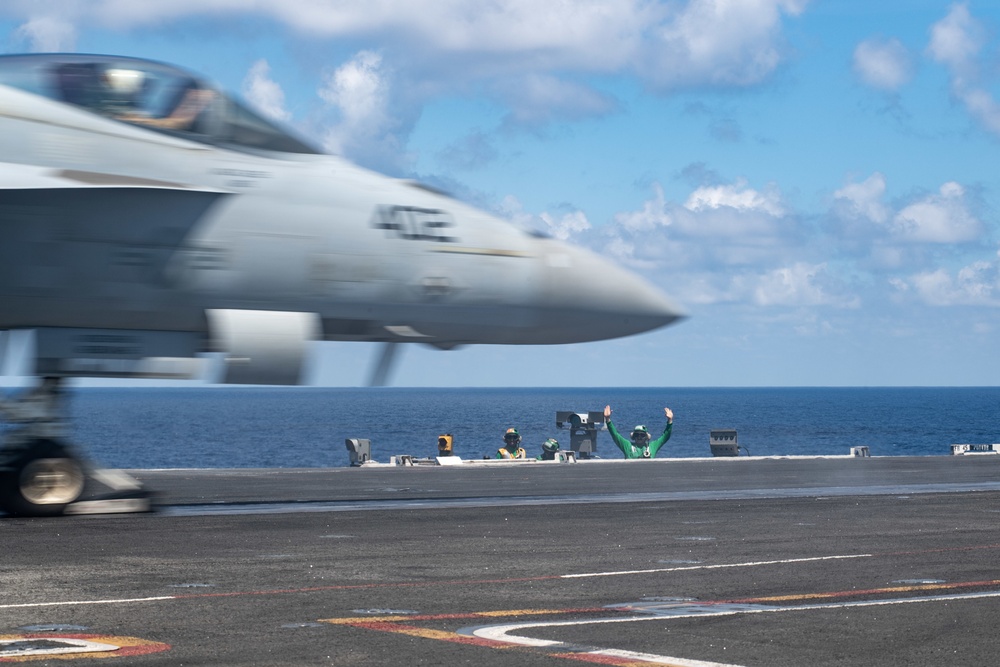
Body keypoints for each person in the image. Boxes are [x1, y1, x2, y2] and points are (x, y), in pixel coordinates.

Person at [603, 404, 673, 459]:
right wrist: (608, 419)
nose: (639, 437)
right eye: (637, 435)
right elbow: (615, 435)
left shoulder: (652, 446)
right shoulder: (627, 446)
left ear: (647, 437)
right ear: (633, 436)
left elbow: (665, 436)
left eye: (642, 435)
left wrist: (670, 421)